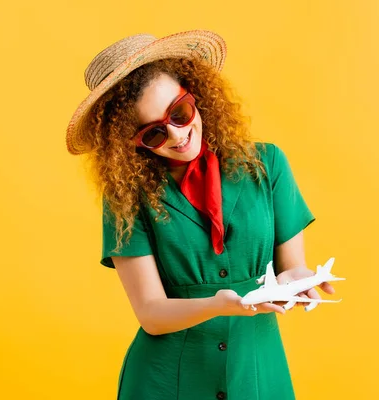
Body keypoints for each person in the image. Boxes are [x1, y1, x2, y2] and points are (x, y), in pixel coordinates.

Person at [65, 30, 335, 400]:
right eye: (154, 134)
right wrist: (217, 304)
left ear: (196, 94)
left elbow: (290, 267)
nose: (177, 135)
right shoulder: (127, 196)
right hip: (166, 382)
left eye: (180, 113)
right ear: (130, 142)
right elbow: (152, 314)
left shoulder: (267, 164)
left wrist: (297, 280)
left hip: (256, 374)